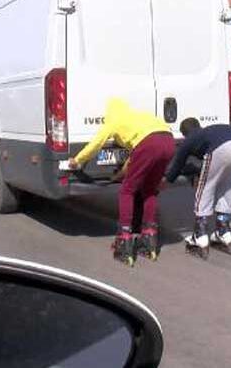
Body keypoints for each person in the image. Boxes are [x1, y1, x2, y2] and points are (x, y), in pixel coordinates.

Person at [69, 98, 175, 266]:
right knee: (149, 190)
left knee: (127, 191)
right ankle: (149, 238)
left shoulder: (114, 121)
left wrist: (77, 160)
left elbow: (96, 144)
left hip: (148, 145)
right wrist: (120, 174)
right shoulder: (139, 116)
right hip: (169, 142)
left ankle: (124, 240)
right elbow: (136, 155)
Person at [164, 118, 231, 258]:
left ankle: (200, 235)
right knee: (227, 188)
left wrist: (168, 180)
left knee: (205, 188)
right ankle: (223, 232)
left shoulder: (190, 138)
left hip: (222, 149)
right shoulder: (207, 132)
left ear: (184, 132)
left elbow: (178, 163)